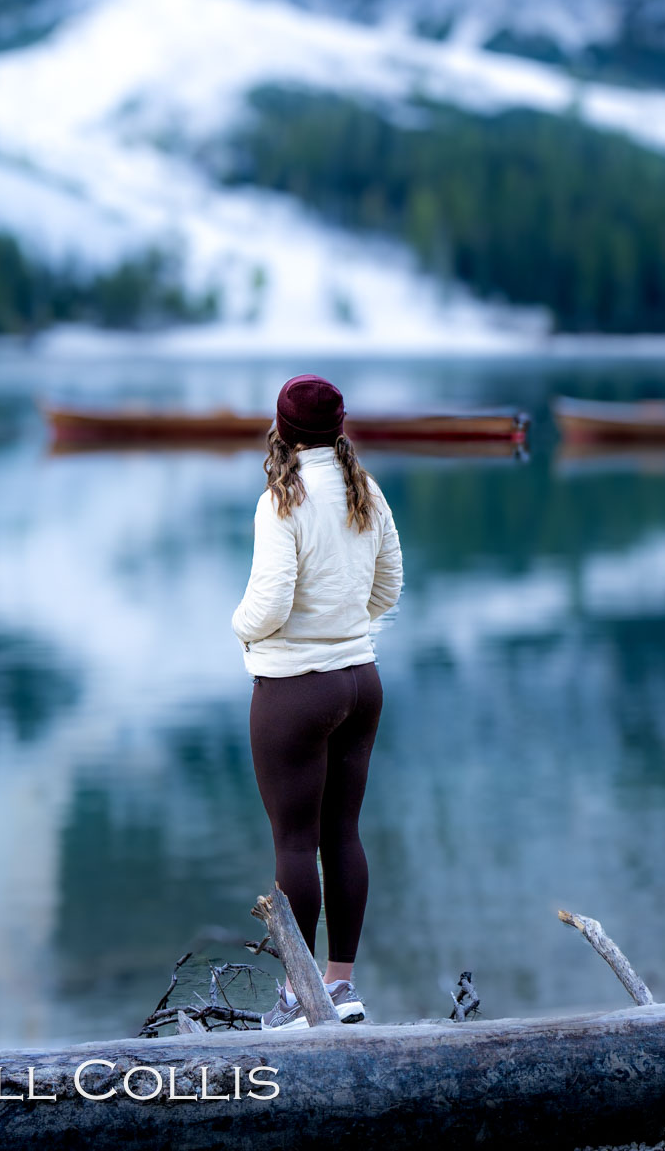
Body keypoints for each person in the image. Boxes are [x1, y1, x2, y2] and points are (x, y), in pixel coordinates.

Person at [231, 374, 404, 1030]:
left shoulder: (282, 499)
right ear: (338, 426)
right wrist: (346, 626)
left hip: (295, 689)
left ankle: (297, 998)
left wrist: (241, 627)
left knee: (295, 844)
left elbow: (269, 603)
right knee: (342, 835)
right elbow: (388, 586)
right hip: (361, 681)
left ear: (282, 428)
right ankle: (340, 987)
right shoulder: (366, 488)